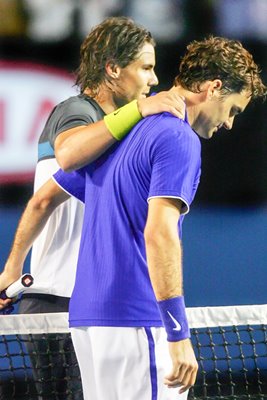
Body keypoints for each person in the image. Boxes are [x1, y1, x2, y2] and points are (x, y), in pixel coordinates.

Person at [1, 35, 266, 399]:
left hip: (87, 323)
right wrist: (177, 332)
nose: (230, 124)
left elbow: (44, 198)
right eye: (233, 110)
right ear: (213, 87)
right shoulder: (178, 138)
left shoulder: (121, 131)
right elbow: (159, 233)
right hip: (136, 320)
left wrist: (11, 266)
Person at [0, 16, 186, 400]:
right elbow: (58, 172)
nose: (153, 80)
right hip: (58, 299)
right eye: (146, 68)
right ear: (113, 69)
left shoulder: (124, 131)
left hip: (91, 303)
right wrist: (13, 268)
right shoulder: (75, 111)